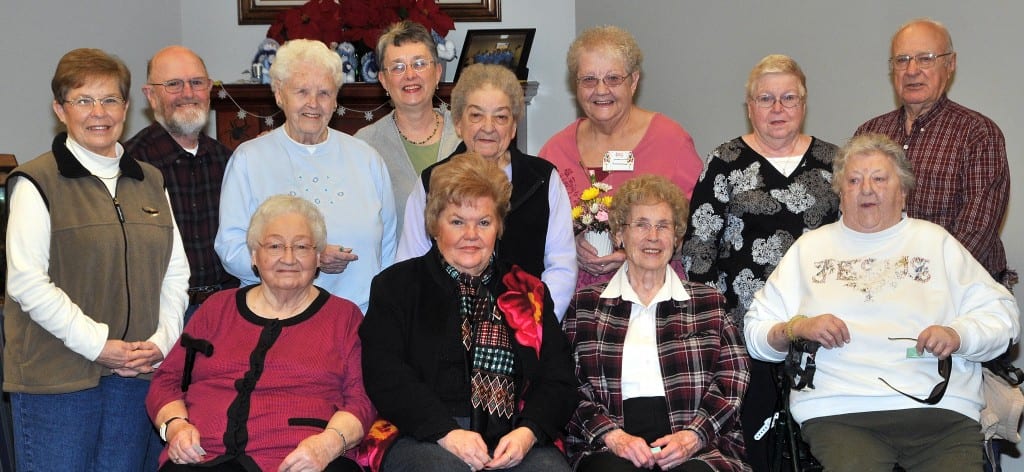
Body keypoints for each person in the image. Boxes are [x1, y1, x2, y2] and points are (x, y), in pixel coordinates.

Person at [744, 134, 1020, 472]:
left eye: (879, 179)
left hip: (939, 413)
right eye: (854, 180)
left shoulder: (935, 243)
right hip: (839, 412)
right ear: (840, 195)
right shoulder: (809, 249)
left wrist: (958, 334)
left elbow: (1003, 318)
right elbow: (756, 333)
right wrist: (797, 326)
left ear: (903, 192)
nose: (867, 189)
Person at [3, 48, 189, 471]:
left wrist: (161, 343)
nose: (98, 112)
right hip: (58, 380)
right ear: (59, 109)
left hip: (133, 375)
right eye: (83, 100)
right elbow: (27, 282)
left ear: (127, 107)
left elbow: (176, 272)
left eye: (109, 100)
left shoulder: (150, 179)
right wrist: (98, 345)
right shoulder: (36, 181)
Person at [361, 152, 576, 472]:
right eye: (457, 221)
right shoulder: (396, 286)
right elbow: (385, 374)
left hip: (513, 433)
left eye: (484, 222)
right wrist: (446, 432)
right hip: (422, 432)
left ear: (499, 227)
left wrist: (527, 433)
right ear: (435, 225)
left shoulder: (528, 291)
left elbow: (559, 379)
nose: (471, 235)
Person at [681, 54, 839, 471]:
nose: (778, 109)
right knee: (757, 438)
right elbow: (699, 248)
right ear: (749, 106)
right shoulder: (725, 161)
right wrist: (719, 322)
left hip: (823, 327)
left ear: (804, 104)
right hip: (744, 328)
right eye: (765, 98)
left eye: (789, 98)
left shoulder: (835, 163)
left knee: (824, 441)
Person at [147, 195, 373, 471]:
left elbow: (363, 400)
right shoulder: (216, 309)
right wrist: (176, 427)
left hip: (301, 460)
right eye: (275, 245)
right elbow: (166, 381)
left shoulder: (344, 317)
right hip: (203, 456)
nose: (288, 258)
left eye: (301, 246)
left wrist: (328, 444)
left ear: (317, 256)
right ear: (255, 255)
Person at [564, 174, 750, 472]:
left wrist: (694, 436)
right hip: (609, 444)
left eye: (664, 226)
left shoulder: (709, 303)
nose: (653, 236)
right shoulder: (586, 305)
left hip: (696, 443)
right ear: (618, 235)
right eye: (641, 224)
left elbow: (733, 378)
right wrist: (612, 436)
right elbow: (569, 385)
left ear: (677, 238)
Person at [215, 38, 397, 313]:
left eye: (324, 93)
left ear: (336, 99)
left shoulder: (366, 158)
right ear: (279, 94)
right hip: (277, 319)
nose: (313, 103)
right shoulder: (249, 160)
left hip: (361, 319)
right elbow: (231, 250)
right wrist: (311, 259)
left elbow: (389, 249)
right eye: (301, 91)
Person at [397, 64, 577, 320]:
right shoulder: (430, 182)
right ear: (458, 123)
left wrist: (532, 325)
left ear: (514, 127)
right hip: (446, 330)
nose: (488, 127)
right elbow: (410, 266)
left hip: (529, 331)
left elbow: (561, 266)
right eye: (476, 116)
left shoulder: (544, 180)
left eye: (501, 117)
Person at [539, 25, 703, 290]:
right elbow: (537, 234)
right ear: (576, 85)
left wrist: (637, 248)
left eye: (613, 78)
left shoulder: (671, 141)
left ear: (634, 81)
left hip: (653, 297)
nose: (601, 90)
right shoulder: (555, 151)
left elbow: (697, 228)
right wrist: (570, 245)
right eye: (589, 79)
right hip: (577, 305)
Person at [855, 18, 1013, 288]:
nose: (912, 70)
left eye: (925, 59)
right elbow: (854, 214)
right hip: (882, 289)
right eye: (902, 60)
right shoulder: (869, 133)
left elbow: (976, 229)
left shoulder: (978, 133)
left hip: (960, 290)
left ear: (950, 64)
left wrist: (919, 283)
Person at [126, 45, 238, 322]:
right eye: (173, 84)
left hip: (227, 311)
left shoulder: (230, 161)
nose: (188, 93)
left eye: (197, 83)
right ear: (150, 95)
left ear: (209, 89)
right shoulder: (129, 164)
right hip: (160, 316)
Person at [355, 20, 462, 235]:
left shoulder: (465, 134)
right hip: (396, 267)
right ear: (383, 80)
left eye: (420, 63)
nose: (410, 75)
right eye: (398, 67)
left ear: (438, 72)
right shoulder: (364, 145)